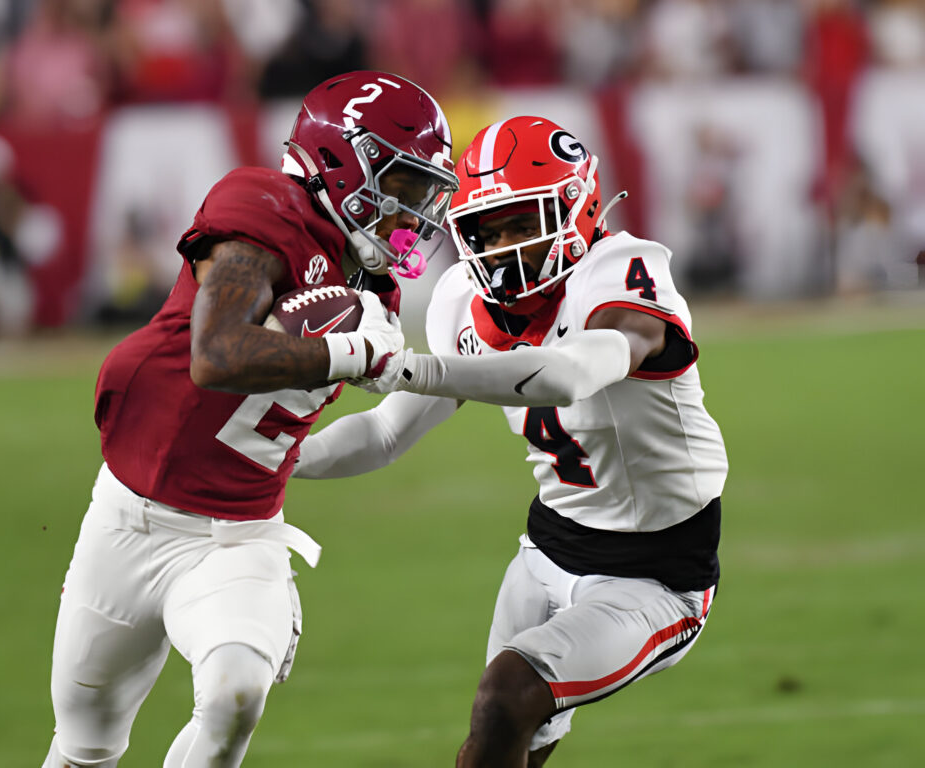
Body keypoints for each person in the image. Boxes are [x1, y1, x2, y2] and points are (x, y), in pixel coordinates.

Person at [41, 70, 459, 768]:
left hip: (237, 537)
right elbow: (218, 353)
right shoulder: (263, 206)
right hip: (127, 518)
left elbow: (377, 420)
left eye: (422, 194)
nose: (412, 215)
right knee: (85, 746)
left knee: (235, 692)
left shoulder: (372, 290)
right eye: (402, 187)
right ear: (342, 160)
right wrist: (346, 351)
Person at [294, 115, 729, 767]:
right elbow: (387, 432)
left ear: (579, 209)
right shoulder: (459, 299)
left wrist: (402, 366)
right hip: (547, 545)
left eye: (524, 222)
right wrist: (270, 462)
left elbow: (570, 374)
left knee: (507, 696)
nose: (504, 248)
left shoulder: (621, 271)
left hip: (655, 573)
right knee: (502, 737)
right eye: (487, 230)